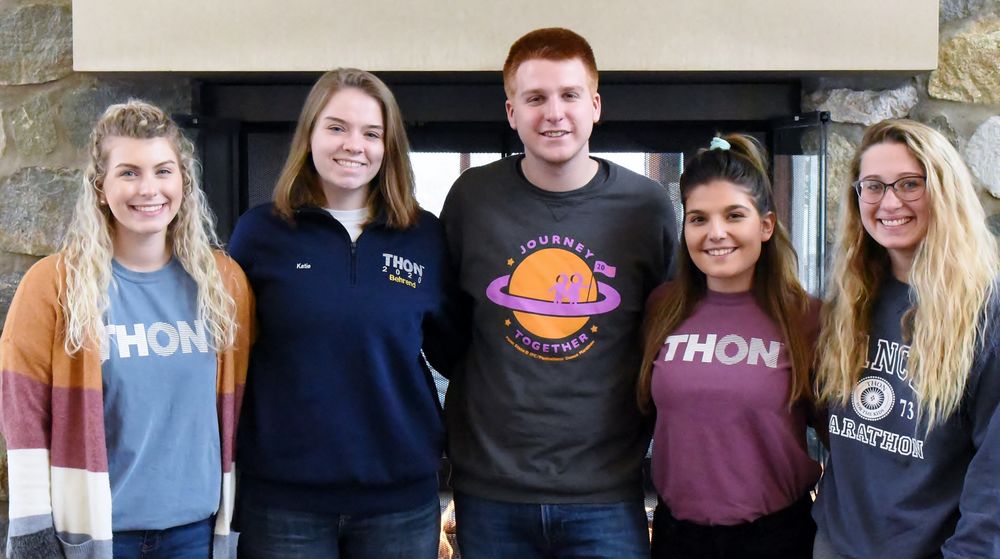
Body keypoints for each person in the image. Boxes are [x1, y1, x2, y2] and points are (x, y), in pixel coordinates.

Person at [440, 27, 677, 558]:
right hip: (491, 488)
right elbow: (446, 327)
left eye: (569, 95)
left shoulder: (647, 207)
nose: (554, 113)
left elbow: (667, 333)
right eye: (535, 98)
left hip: (608, 493)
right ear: (510, 112)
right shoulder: (472, 198)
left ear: (595, 105)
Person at [0, 100, 253, 559]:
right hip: (96, 537)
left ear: (183, 181)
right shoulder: (54, 285)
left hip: (195, 535)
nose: (149, 189)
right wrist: (32, 534)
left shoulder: (224, 283)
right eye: (129, 173)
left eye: (163, 170)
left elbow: (241, 407)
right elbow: (23, 420)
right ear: (100, 187)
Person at [228, 68, 460, 559]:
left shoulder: (424, 236)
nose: (353, 144)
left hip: (400, 499)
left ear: (388, 146)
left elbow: (457, 353)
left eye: (371, 133)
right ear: (309, 134)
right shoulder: (259, 233)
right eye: (336, 127)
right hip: (283, 501)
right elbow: (229, 358)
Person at [812, 119, 1000, 559]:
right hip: (836, 543)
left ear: (944, 191)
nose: (889, 202)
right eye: (873, 186)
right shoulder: (851, 293)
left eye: (910, 184)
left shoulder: (985, 308)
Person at [638, 134, 821, 559]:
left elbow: (843, 437)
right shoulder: (663, 307)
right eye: (698, 219)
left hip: (775, 538)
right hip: (676, 537)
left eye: (734, 215)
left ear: (766, 225)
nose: (715, 233)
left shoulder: (808, 317)